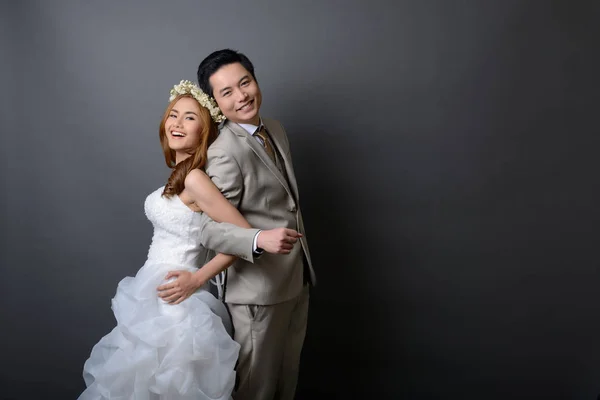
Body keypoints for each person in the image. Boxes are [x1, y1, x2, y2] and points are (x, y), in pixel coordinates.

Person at [79, 80, 293, 400]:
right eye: (173, 115)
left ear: (203, 131)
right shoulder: (180, 173)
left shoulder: (195, 179)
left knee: (172, 384)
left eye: (190, 117)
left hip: (179, 301)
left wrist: (195, 279)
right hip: (151, 291)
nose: (177, 123)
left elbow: (241, 235)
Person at [162, 49, 316, 400]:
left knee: (286, 381)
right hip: (256, 293)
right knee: (255, 388)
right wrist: (260, 238)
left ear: (255, 79)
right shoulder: (223, 152)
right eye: (226, 92)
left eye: (244, 82)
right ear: (216, 103)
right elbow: (209, 230)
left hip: (295, 277)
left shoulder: (274, 128)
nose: (241, 95)